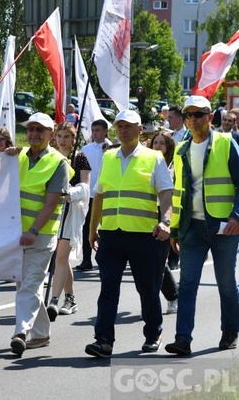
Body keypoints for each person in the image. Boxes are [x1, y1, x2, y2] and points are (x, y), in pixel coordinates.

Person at [85, 110, 174, 358]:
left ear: (140, 129)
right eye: (120, 126)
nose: (123, 130)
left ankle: (153, 332)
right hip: (112, 235)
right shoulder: (109, 157)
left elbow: (166, 194)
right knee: (108, 289)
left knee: (147, 289)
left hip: (144, 236)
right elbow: (99, 196)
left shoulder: (153, 158)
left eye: (128, 126)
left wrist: (165, 221)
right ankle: (103, 340)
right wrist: (92, 230)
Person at [165, 95, 239, 356]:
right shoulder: (181, 148)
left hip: (223, 228)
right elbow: (179, 192)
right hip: (191, 227)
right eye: (190, 115)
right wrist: (174, 229)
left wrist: (236, 216)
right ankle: (183, 338)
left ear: (210, 117)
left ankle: (230, 328)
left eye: (200, 114)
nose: (194, 119)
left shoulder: (227, 143)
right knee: (187, 284)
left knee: (226, 282)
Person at [5, 113, 70, 356]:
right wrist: (6, 156)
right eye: (31, 129)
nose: (34, 133)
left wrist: (33, 231)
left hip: (40, 236)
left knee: (29, 285)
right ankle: (41, 334)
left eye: (40, 130)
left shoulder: (58, 163)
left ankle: (20, 333)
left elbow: (51, 203)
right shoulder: (18, 156)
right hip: (16, 233)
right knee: (26, 285)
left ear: (51, 135)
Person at [46, 122, 90, 321]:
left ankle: (54, 300)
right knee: (59, 258)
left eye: (67, 137)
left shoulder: (79, 158)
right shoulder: (50, 157)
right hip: (49, 211)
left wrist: (70, 193)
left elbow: (86, 187)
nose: (62, 140)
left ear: (73, 139)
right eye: (59, 136)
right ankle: (70, 297)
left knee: (61, 256)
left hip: (69, 211)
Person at [149, 131, 180, 312]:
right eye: (155, 143)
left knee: (159, 258)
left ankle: (173, 295)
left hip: (167, 214)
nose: (158, 146)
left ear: (168, 147)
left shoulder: (175, 165)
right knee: (151, 259)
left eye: (162, 143)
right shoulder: (147, 162)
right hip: (148, 212)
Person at [76, 119, 111, 271]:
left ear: (105, 131)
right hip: (90, 194)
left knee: (106, 228)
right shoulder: (86, 149)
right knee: (87, 227)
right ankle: (86, 259)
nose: (95, 133)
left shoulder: (112, 148)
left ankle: (105, 258)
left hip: (108, 194)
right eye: (93, 130)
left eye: (98, 130)